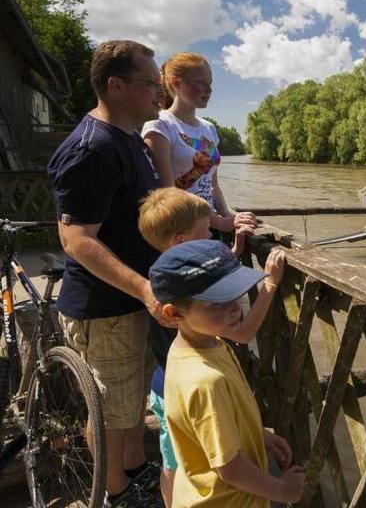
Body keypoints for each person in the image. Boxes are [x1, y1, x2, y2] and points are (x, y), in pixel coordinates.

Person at [47, 40, 166, 507]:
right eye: (151, 83)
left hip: (135, 301)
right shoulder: (92, 148)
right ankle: (115, 493)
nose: (160, 92)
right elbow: (76, 240)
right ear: (115, 86)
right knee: (111, 412)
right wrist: (142, 286)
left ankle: (134, 468)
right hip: (106, 308)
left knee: (132, 402)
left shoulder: (130, 138)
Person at [149, 240, 305, 507]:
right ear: (174, 313)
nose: (235, 307)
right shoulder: (206, 380)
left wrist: (260, 435)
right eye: (216, 303)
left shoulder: (198, 344)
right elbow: (230, 469)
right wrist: (283, 490)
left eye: (234, 295)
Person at [137, 187, 265, 505]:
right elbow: (242, 331)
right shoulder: (204, 375)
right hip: (177, 395)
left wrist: (230, 256)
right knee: (177, 464)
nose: (211, 234)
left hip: (171, 385)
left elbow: (203, 287)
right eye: (206, 231)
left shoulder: (171, 279)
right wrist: (271, 285)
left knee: (185, 460)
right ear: (181, 240)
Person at [140, 51, 255, 232]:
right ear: (176, 83)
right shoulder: (160, 126)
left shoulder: (209, 128)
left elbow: (212, 186)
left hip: (208, 228)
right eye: (200, 83)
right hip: (181, 232)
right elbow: (168, 194)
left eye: (210, 83)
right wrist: (220, 223)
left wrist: (228, 215)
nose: (209, 90)